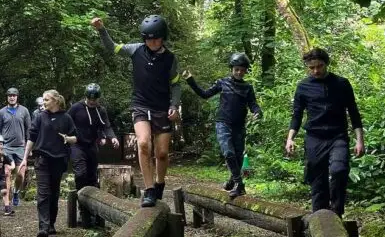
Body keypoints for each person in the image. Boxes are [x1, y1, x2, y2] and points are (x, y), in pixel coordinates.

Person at [92, 15, 182, 207]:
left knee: (162, 153)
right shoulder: (136, 50)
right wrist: (101, 29)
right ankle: (149, 190)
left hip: (162, 108)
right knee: (143, 143)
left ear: (163, 38)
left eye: (156, 39)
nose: (153, 42)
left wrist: (174, 106)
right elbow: (113, 47)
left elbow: (176, 85)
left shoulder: (170, 58)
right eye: (149, 39)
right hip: (140, 105)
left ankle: (159, 183)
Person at [284, 48, 365, 217]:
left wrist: (359, 141)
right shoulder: (303, 86)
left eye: (319, 66)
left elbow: (354, 113)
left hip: (338, 136)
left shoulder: (342, 84)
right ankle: (320, 218)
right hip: (314, 137)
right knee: (317, 179)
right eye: (311, 68)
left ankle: (336, 213)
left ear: (326, 64)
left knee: (339, 170)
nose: (316, 71)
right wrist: (290, 139)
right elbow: (297, 115)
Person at [183, 52, 262, 198]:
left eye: (242, 70)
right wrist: (190, 80)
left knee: (238, 155)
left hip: (239, 126)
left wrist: (257, 112)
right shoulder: (222, 83)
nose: (239, 72)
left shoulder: (247, 87)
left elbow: (253, 105)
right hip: (223, 123)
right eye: (236, 69)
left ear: (246, 71)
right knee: (228, 152)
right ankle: (239, 184)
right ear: (231, 69)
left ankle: (232, 180)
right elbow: (205, 94)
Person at [20, 90, 77, 237]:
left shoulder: (66, 118)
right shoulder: (40, 117)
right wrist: (25, 158)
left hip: (59, 160)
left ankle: (51, 223)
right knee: (43, 193)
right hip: (42, 159)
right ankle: (43, 228)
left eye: (46, 100)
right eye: (43, 100)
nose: (43, 102)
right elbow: (31, 137)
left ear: (55, 101)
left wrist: (68, 139)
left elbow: (75, 138)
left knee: (54, 192)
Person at [67, 83, 119, 191]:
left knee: (92, 175)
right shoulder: (76, 108)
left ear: (98, 98)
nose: (91, 101)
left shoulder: (101, 110)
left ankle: (92, 198)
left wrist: (113, 137)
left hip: (92, 145)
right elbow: (66, 121)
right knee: (80, 173)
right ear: (86, 96)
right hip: (77, 145)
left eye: (94, 99)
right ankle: (80, 195)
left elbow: (106, 126)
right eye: (89, 99)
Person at [0, 87, 31, 207]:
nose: (12, 97)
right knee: (7, 174)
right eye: (9, 95)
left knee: (20, 175)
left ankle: (15, 192)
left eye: (14, 95)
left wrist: (29, 148)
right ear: (7, 97)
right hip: (6, 147)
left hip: (20, 147)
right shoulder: (2, 112)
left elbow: (29, 129)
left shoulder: (24, 111)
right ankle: (8, 202)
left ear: (17, 97)